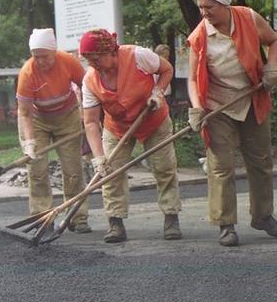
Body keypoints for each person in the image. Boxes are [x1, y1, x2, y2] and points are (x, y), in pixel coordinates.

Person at [186, 0, 277, 247]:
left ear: (225, 4)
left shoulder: (248, 18)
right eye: (200, 7)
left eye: (209, 7)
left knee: (261, 160)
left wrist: (272, 66)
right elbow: (194, 79)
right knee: (221, 167)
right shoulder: (199, 37)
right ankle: (226, 224)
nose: (204, 12)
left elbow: (274, 41)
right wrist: (197, 109)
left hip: (252, 98)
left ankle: (263, 215)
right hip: (219, 106)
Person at [80, 29, 182, 243]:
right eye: (89, 60)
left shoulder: (138, 56)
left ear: (109, 51)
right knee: (110, 173)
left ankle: (171, 217)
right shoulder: (90, 80)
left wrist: (157, 92)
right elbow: (90, 122)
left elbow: (166, 69)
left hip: (153, 119)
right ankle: (115, 222)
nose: (93, 64)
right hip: (117, 127)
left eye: (96, 58)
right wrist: (99, 158)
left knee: (164, 168)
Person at [16, 28, 91, 234]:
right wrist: (30, 142)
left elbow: (87, 88)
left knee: (73, 169)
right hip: (37, 120)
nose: (40, 61)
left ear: (54, 51)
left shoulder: (68, 62)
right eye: (36, 56)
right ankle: (42, 219)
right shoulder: (27, 73)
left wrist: (87, 115)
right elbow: (24, 113)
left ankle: (78, 216)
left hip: (67, 118)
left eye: (45, 56)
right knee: (37, 170)